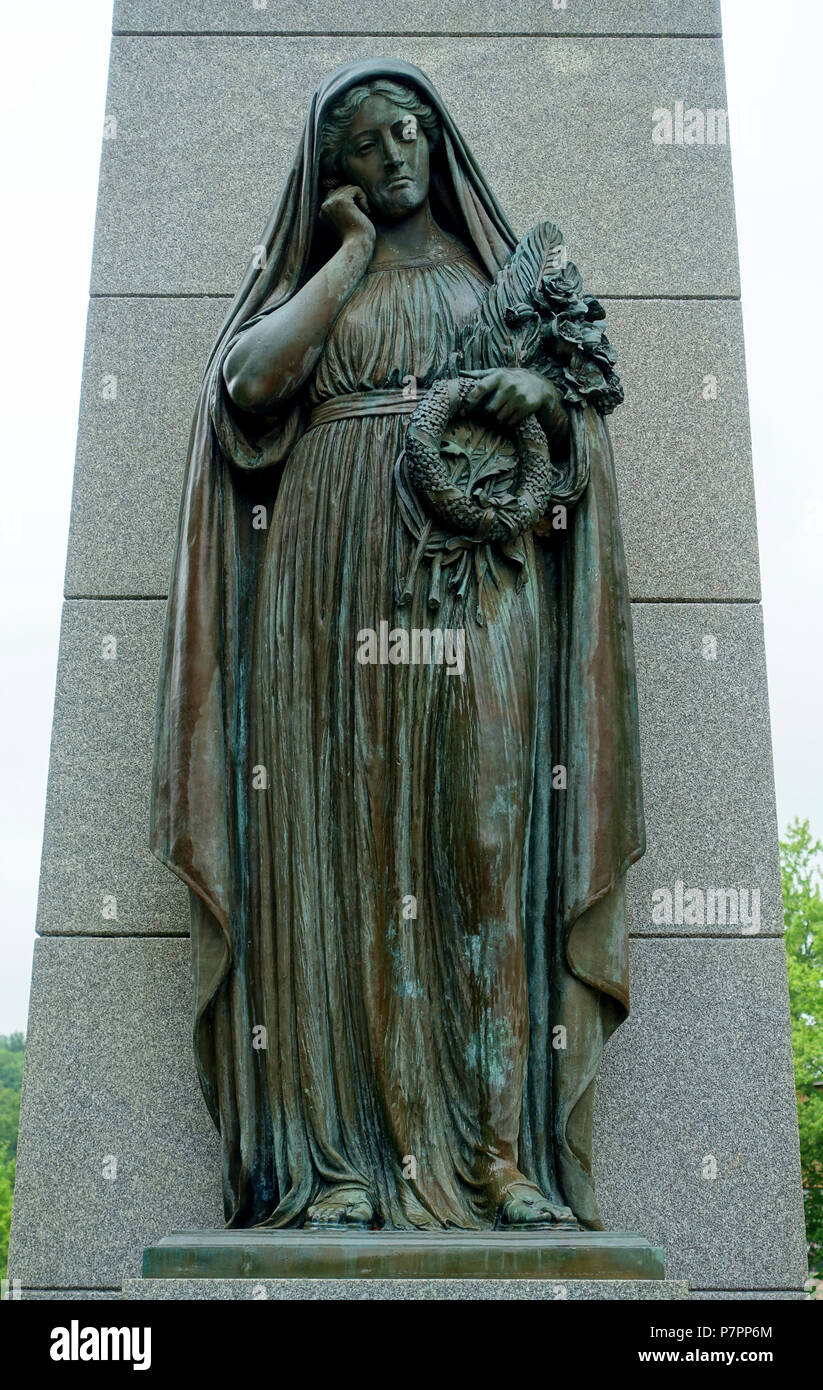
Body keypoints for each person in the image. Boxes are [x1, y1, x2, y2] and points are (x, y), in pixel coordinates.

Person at [151, 58, 645, 1233]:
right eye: (370, 141)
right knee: (336, 854)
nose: (398, 152)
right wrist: (348, 259)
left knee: (484, 841)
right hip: (325, 589)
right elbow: (250, 382)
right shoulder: (319, 280)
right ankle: (332, 1166)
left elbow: (581, 435)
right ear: (336, 174)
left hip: (477, 578)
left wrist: (534, 399)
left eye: (412, 129)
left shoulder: (497, 283)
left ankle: (496, 1157)